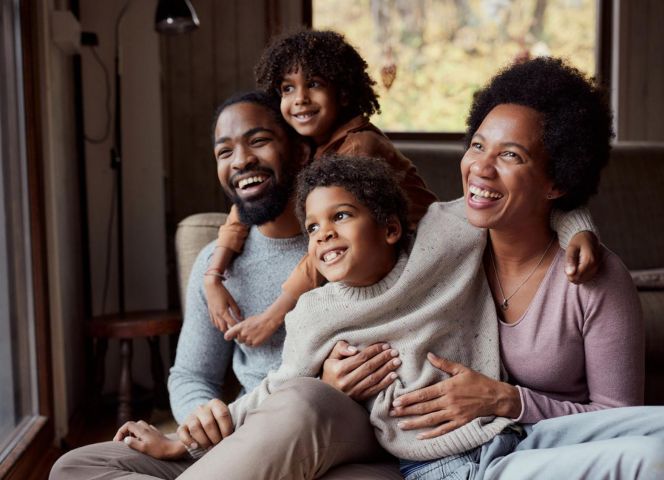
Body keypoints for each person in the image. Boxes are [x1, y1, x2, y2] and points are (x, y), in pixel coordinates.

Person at [49, 92, 403, 479]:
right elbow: (190, 374)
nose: (241, 160)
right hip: (243, 435)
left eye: (258, 141)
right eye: (224, 151)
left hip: (338, 437)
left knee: (304, 400)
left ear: (301, 152)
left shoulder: (348, 242)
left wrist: (327, 386)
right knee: (78, 467)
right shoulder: (217, 264)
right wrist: (203, 417)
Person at [206, 29, 600, 349]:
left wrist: (276, 313)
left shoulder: (359, 147)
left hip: (426, 252)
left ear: (342, 92)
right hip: (385, 256)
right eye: (287, 89)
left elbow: (326, 245)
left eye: (314, 85)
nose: (299, 99)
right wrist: (214, 273)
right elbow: (245, 199)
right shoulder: (306, 146)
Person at [112, 153, 514, 464]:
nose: (324, 235)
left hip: (502, 428)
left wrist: (579, 231)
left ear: (391, 228)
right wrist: (179, 441)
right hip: (424, 458)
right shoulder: (313, 312)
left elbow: (530, 197)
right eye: (313, 228)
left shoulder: (442, 238)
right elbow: (274, 389)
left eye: (340, 216)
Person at [388, 57, 664, 479]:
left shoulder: (594, 277)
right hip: (478, 455)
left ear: (557, 183)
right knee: (651, 459)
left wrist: (508, 400)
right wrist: (331, 368)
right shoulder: (442, 239)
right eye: (478, 146)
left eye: (510, 155)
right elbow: (361, 295)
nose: (480, 167)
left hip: (557, 438)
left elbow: (615, 420)